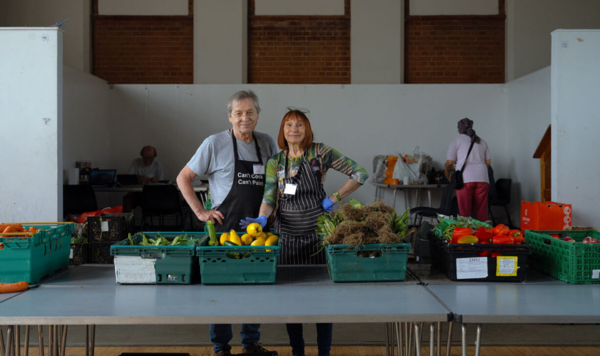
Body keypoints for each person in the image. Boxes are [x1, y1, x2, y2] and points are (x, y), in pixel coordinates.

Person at [241, 108, 368, 356]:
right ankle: (297, 352)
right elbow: (269, 197)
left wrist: (333, 198)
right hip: (286, 237)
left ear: (307, 129)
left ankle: (324, 353)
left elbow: (360, 173)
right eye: (288, 125)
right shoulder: (275, 162)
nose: (294, 130)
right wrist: (262, 218)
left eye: (299, 125)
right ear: (283, 131)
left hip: (318, 235)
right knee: (292, 301)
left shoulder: (320, 153)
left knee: (323, 300)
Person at [176, 90, 277, 356]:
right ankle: (221, 347)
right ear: (230, 116)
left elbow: (273, 184)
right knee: (220, 289)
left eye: (250, 112)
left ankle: (251, 343)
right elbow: (183, 178)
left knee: (254, 286)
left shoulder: (266, 143)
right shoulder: (214, 143)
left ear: (258, 114)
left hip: (257, 230)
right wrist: (200, 212)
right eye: (239, 113)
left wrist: (272, 210)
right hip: (223, 228)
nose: (245, 118)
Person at [445, 118, 491, 222]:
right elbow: (488, 162)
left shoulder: (456, 141)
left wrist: (447, 170)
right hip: (482, 179)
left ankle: (467, 235)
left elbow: (450, 163)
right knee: (481, 212)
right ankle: (482, 234)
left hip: (465, 179)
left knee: (465, 212)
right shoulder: (482, 142)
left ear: (459, 130)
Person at [123, 145, 165, 212]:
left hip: (152, 193)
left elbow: (162, 182)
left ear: (154, 157)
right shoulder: (136, 162)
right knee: (127, 199)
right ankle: (127, 221)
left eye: (150, 158)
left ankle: (146, 221)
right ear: (142, 155)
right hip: (136, 193)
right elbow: (128, 178)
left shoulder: (157, 165)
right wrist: (138, 177)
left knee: (148, 198)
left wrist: (155, 181)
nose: (148, 160)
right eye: (146, 158)